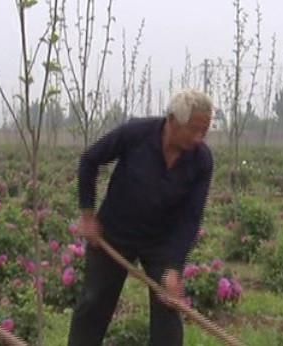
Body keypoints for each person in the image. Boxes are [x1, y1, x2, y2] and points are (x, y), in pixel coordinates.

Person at [68, 89, 214, 346]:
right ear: (172, 120)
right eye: (193, 129)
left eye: (204, 131)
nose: (199, 138)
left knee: (169, 310)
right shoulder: (136, 133)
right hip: (114, 233)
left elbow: (191, 218)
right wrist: (88, 215)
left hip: (161, 243)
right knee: (93, 303)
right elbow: (90, 160)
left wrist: (174, 268)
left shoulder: (201, 160)